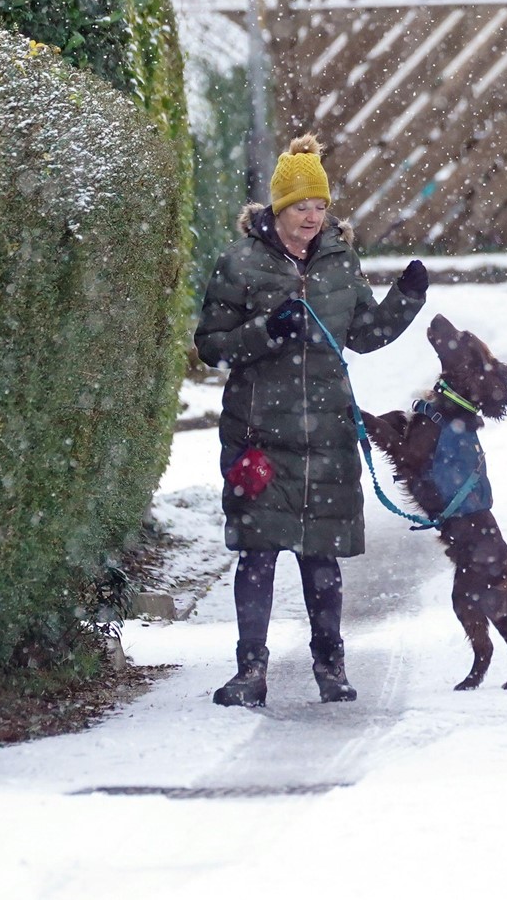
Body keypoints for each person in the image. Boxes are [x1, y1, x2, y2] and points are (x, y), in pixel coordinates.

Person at [194, 134, 428, 706]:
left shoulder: (340, 263)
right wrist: (265, 334)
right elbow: (211, 346)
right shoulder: (240, 263)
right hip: (260, 437)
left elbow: (365, 335)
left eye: (320, 206)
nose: (312, 217)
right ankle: (250, 672)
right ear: (278, 208)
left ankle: (331, 666)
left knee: (321, 556)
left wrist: (407, 299)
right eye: (301, 206)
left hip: (325, 434)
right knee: (258, 554)